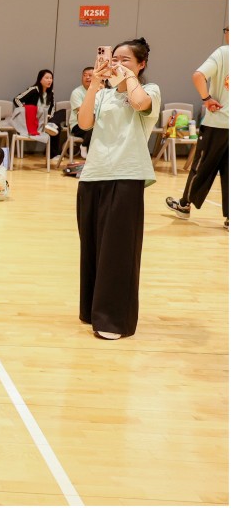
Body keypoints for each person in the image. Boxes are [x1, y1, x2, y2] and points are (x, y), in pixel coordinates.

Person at [77, 38, 161, 340]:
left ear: (141, 64)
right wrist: (94, 85)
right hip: (93, 175)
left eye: (126, 59)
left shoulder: (150, 91)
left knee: (119, 251)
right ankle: (92, 310)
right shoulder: (103, 95)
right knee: (92, 247)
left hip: (127, 175)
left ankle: (114, 321)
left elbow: (139, 104)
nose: (118, 63)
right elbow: (84, 123)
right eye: (115, 58)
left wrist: (127, 77)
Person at [165, 27, 229, 229]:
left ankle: (184, 205)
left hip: (219, 122)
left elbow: (198, 75)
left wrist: (207, 98)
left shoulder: (224, 52)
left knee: (201, 166)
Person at [12, 69, 62, 161]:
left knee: (62, 114)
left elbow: (52, 107)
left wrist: (50, 116)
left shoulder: (51, 92)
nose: (49, 80)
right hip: (34, 119)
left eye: (51, 78)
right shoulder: (34, 90)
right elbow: (16, 99)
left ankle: (53, 154)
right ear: (40, 79)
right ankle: (51, 126)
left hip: (46, 119)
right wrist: (25, 110)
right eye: (47, 78)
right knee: (56, 126)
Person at [69, 66, 94, 158]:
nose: (87, 77)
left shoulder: (100, 91)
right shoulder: (77, 92)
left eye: (90, 75)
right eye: (84, 75)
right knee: (94, 128)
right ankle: (84, 146)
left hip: (95, 122)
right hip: (78, 125)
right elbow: (82, 112)